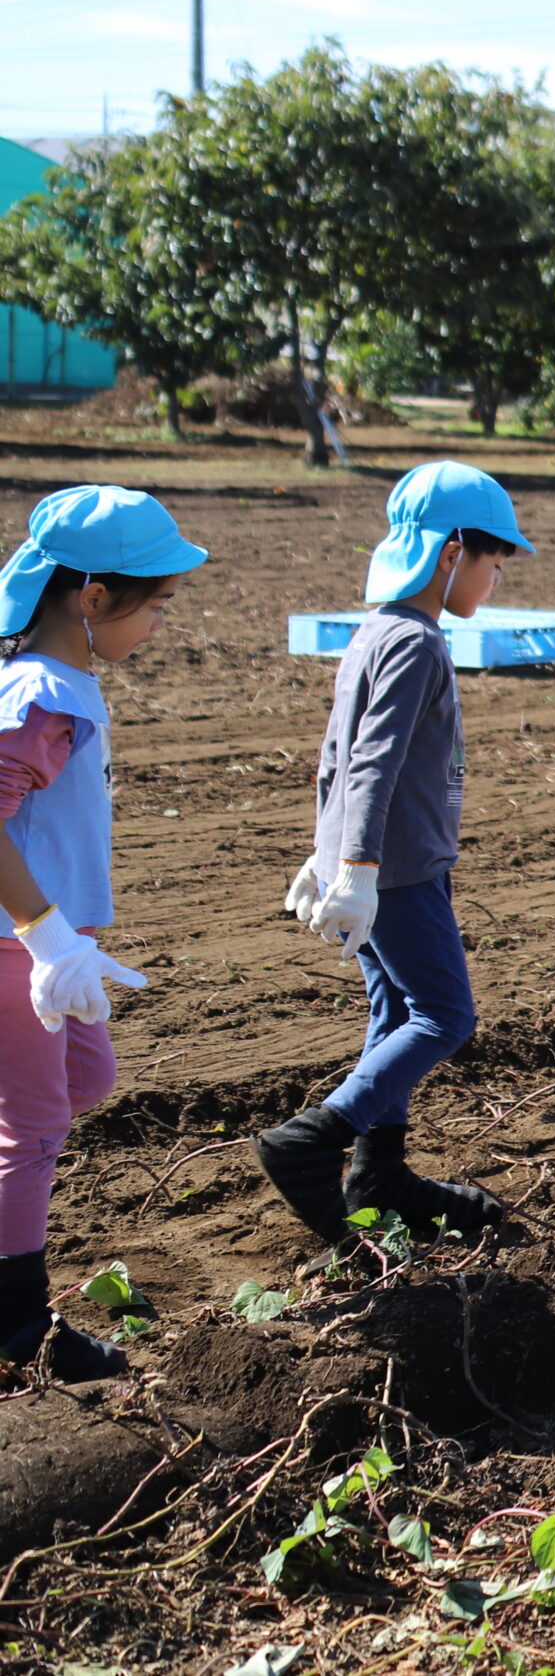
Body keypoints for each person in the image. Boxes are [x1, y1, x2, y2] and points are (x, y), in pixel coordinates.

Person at [263, 462, 533, 1243]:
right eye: (493, 560)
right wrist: (355, 870)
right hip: (399, 873)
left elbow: (334, 755)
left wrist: (327, 852)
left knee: (394, 1011)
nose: (495, 576)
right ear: (453, 553)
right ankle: (316, 1139)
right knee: (445, 1015)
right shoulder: (415, 644)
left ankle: (378, 1171)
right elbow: (373, 761)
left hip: (380, 868)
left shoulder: (376, 631)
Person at [0, 487, 203, 1378]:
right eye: (154, 605)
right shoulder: (43, 696)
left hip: (54, 941)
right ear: (90, 600)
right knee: (35, 1125)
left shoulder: (62, 684)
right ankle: (16, 1331)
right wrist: (45, 934)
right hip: (19, 944)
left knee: (88, 1077)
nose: (160, 624)